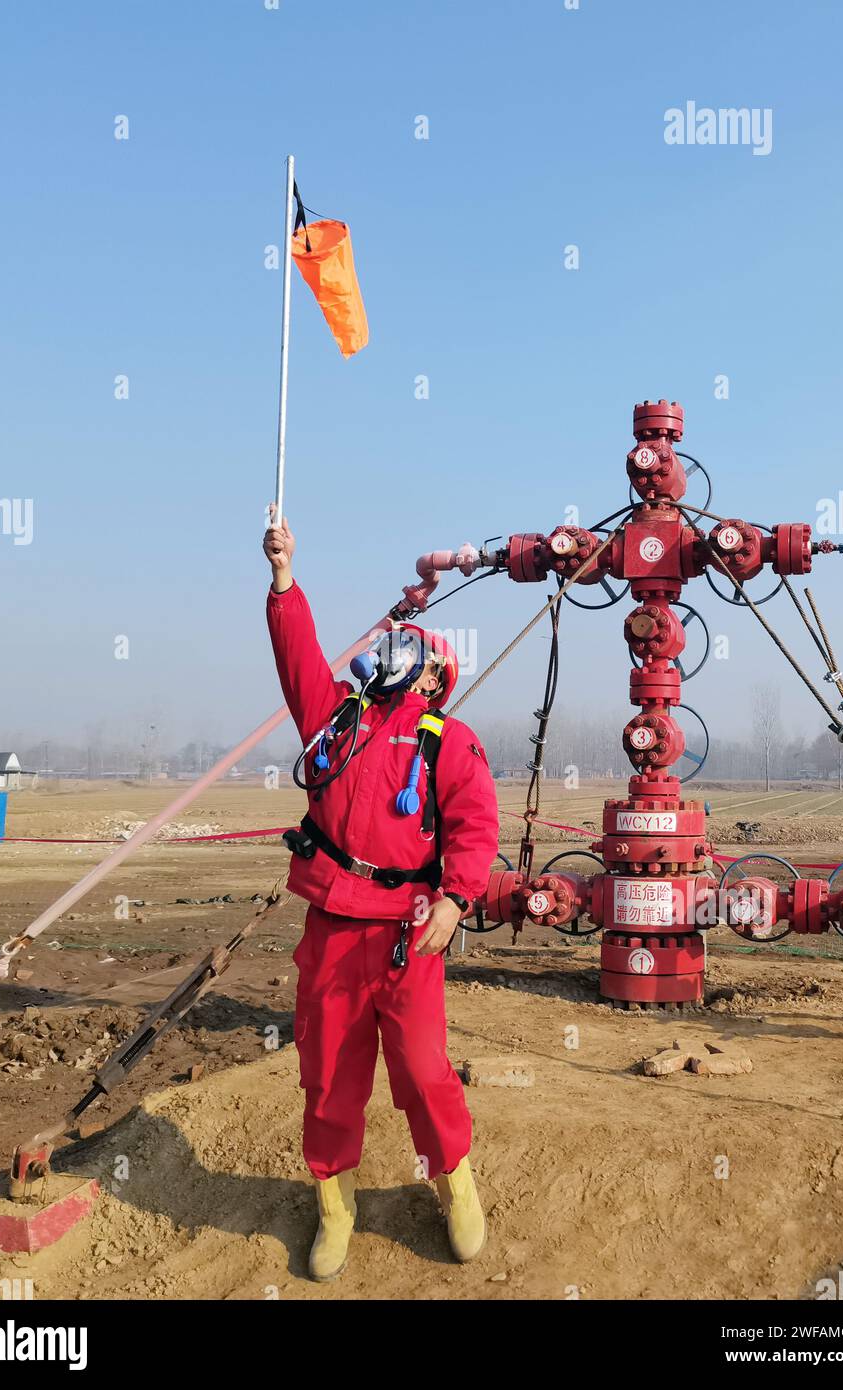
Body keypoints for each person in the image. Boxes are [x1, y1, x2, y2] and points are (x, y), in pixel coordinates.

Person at [264, 512, 499, 1281]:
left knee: (424, 1071)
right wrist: (284, 580)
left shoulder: (447, 742)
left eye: (416, 647)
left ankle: (455, 1186)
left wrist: (456, 901)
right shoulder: (335, 721)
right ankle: (336, 1206)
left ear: (434, 675)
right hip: (332, 927)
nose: (396, 646)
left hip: (406, 936)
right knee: (328, 1073)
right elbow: (299, 660)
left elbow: (474, 829)